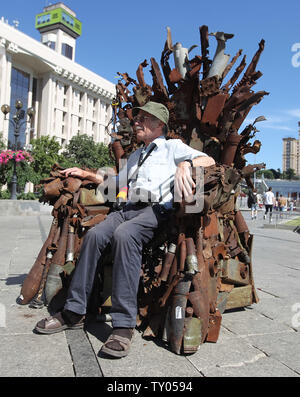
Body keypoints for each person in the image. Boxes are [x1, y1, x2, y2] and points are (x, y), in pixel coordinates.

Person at [34, 101, 215, 358]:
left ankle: (123, 325)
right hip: (128, 209)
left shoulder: (172, 147)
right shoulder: (136, 156)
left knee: (124, 235)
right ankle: (74, 311)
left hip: (155, 212)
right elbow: (114, 183)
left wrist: (185, 164)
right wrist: (85, 173)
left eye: (143, 118)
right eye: (137, 117)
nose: (136, 122)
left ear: (159, 124)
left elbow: (208, 160)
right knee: (95, 235)